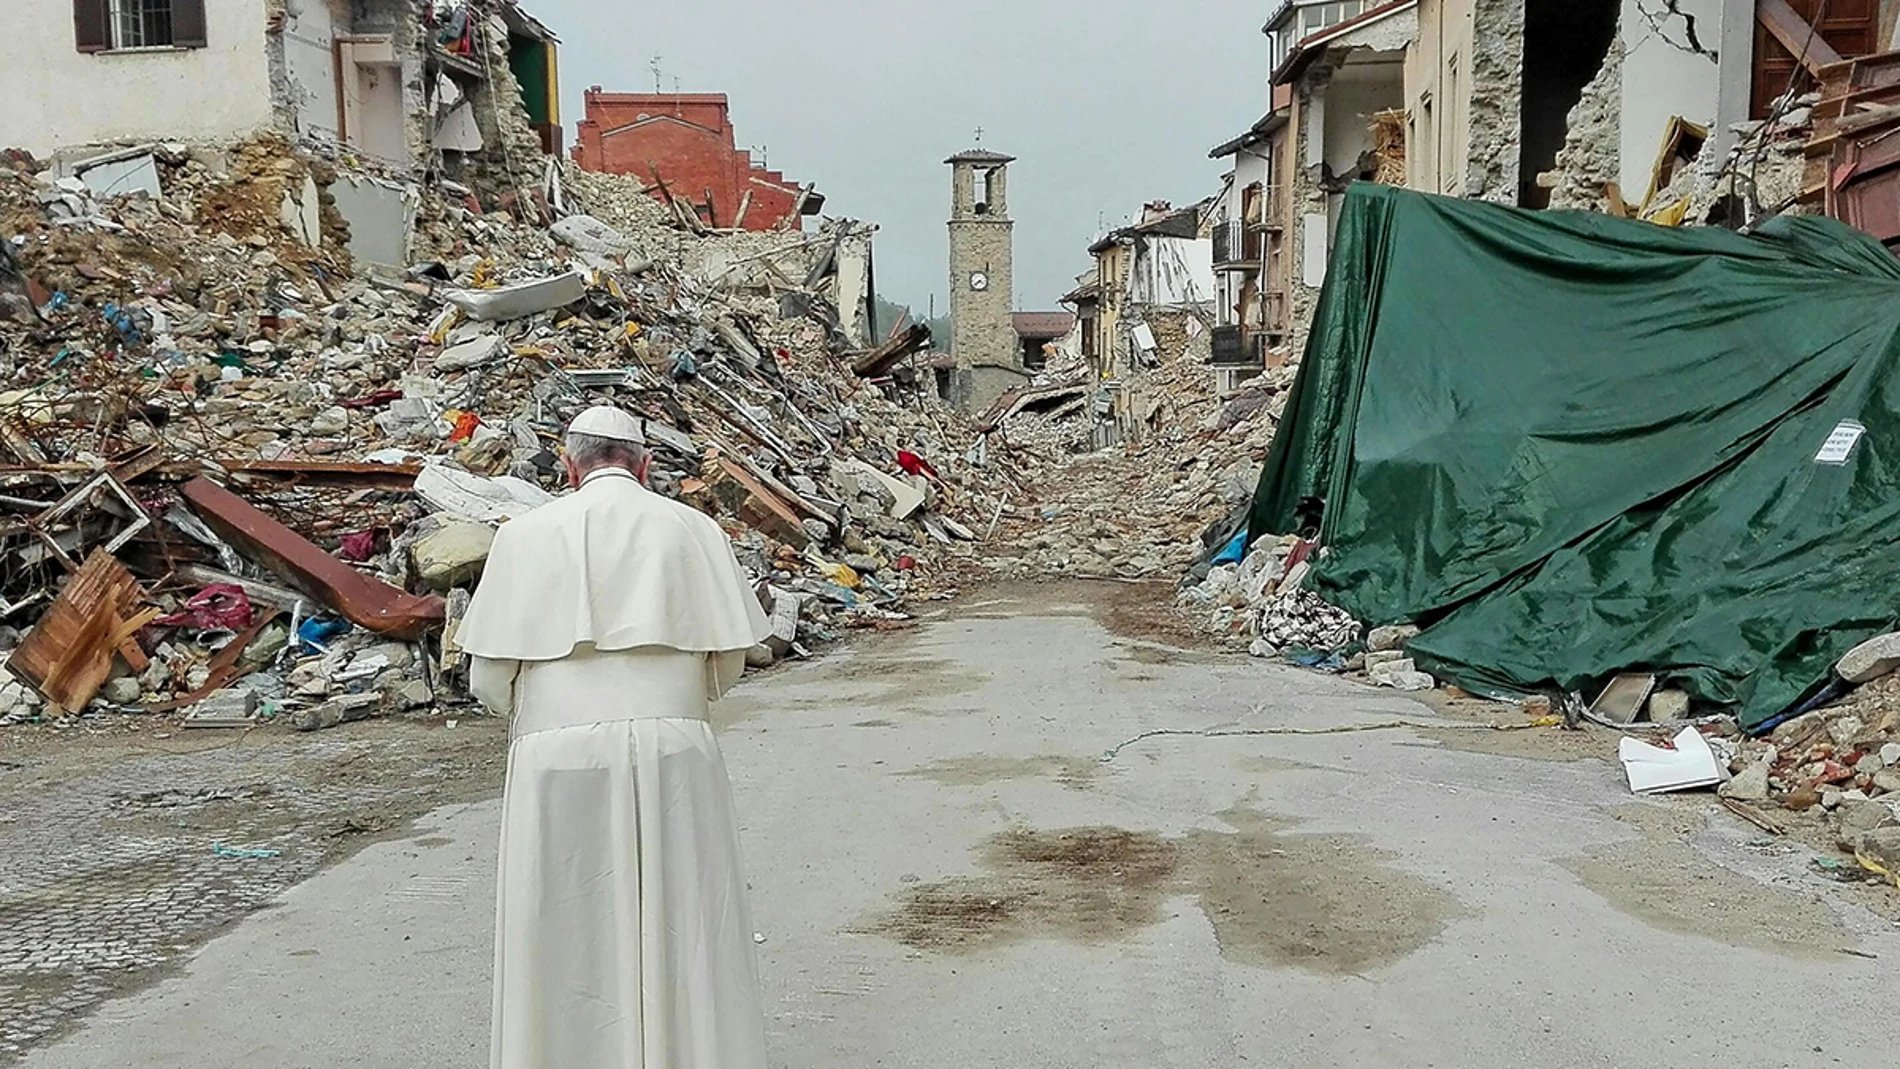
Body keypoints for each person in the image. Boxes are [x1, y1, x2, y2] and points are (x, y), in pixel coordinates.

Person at [457, 404, 773, 1069]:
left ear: (568, 467)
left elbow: (487, 681)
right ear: (645, 466)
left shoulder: (524, 535)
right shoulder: (695, 530)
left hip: (555, 754)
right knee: (686, 927)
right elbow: (729, 664)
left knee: (561, 928)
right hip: (674, 748)